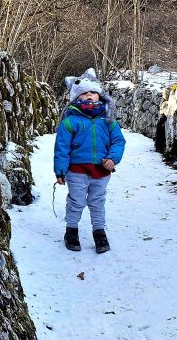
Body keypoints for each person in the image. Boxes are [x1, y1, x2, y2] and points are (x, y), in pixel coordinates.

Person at [54, 78, 126, 253]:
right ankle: (71, 230)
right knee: (76, 201)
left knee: (97, 201)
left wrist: (112, 158)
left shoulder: (108, 120)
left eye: (92, 93)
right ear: (76, 97)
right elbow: (62, 148)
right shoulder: (70, 121)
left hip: (101, 171)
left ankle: (99, 232)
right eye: (84, 93)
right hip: (77, 170)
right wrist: (61, 170)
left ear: (99, 96)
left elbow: (118, 141)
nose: (88, 96)